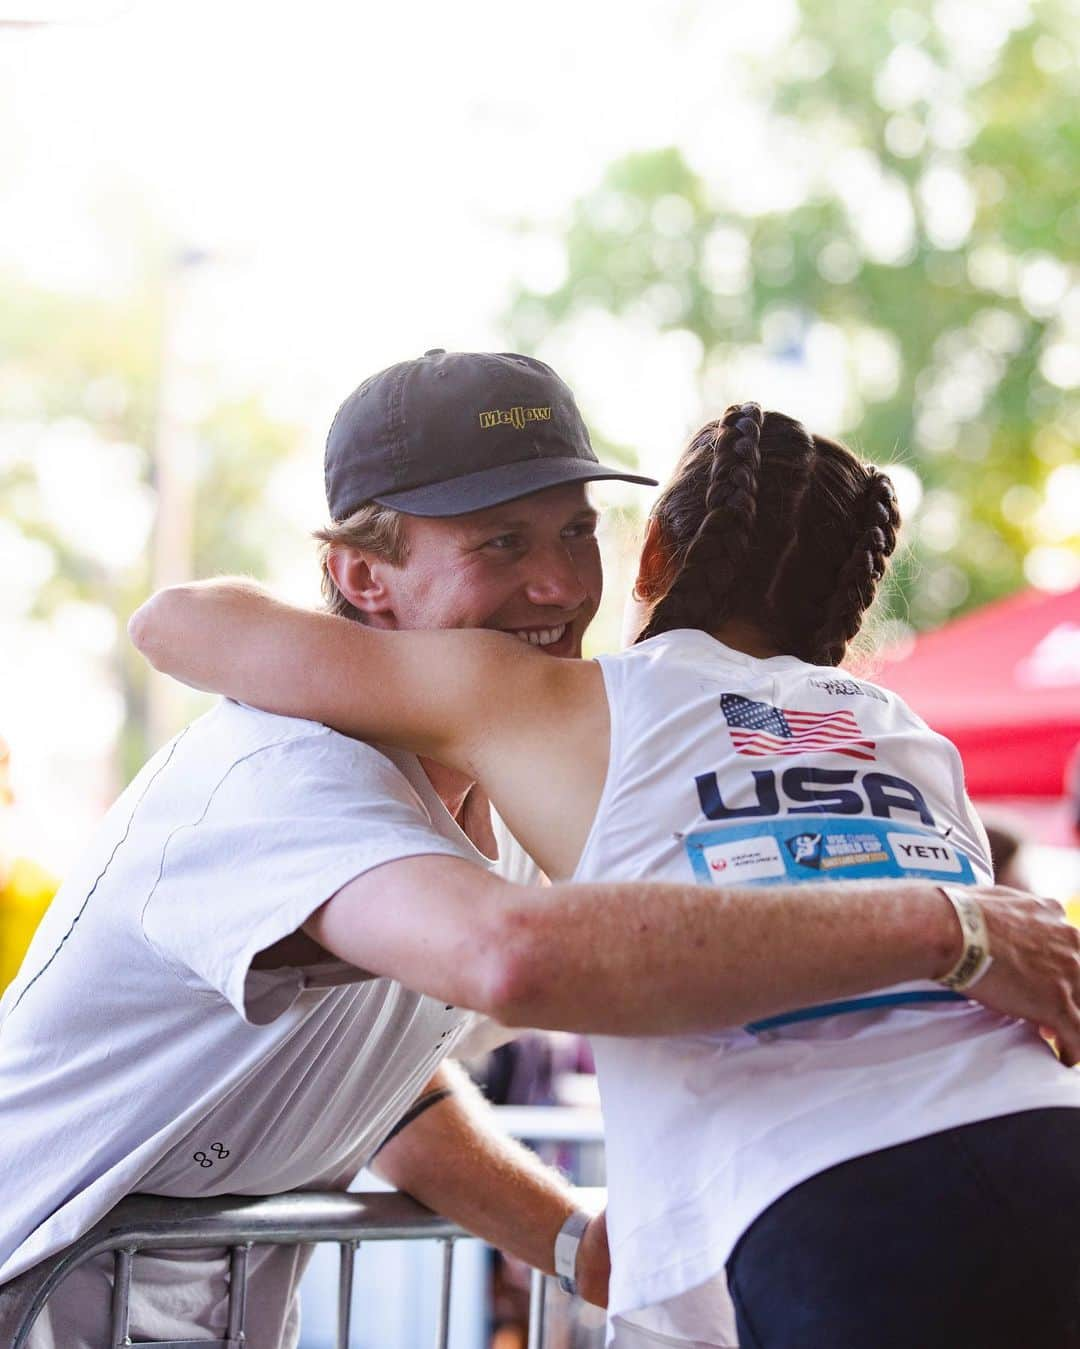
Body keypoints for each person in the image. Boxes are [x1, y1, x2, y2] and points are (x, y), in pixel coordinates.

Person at [134, 394, 1080, 1349]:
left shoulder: (553, 699)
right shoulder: (914, 741)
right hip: (1048, 1143)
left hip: (834, 1205)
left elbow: (182, 625)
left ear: (656, 552)